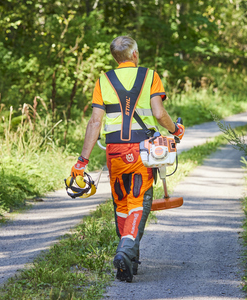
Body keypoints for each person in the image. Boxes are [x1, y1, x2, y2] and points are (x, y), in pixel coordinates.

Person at [68, 36, 185, 282]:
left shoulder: (103, 80)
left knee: (122, 202)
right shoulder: (150, 76)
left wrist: (82, 161)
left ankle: (131, 260)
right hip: (143, 150)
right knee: (139, 202)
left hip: (115, 152)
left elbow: (95, 122)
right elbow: (158, 112)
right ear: (134, 55)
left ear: (115, 57)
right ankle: (126, 251)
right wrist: (175, 130)